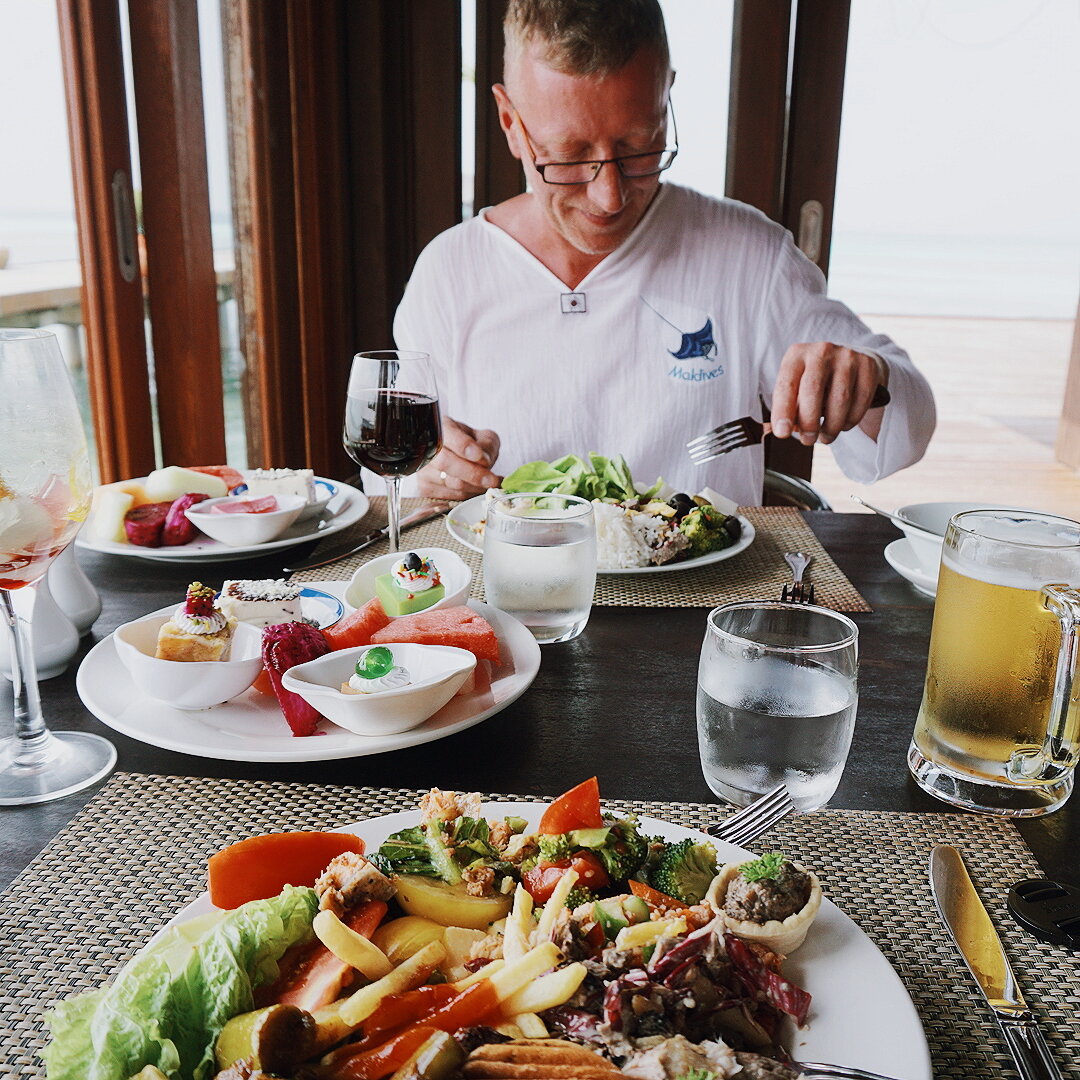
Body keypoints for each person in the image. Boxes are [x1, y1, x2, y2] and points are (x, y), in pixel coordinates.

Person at [393, 0, 935, 507]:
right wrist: (428, 469)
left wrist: (867, 379)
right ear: (512, 124)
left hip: (710, 599)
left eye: (639, 147)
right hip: (513, 603)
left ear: (665, 97)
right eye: (569, 156)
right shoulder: (450, 271)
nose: (610, 197)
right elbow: (387, 473)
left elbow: (909, 423)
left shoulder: (749, 254)